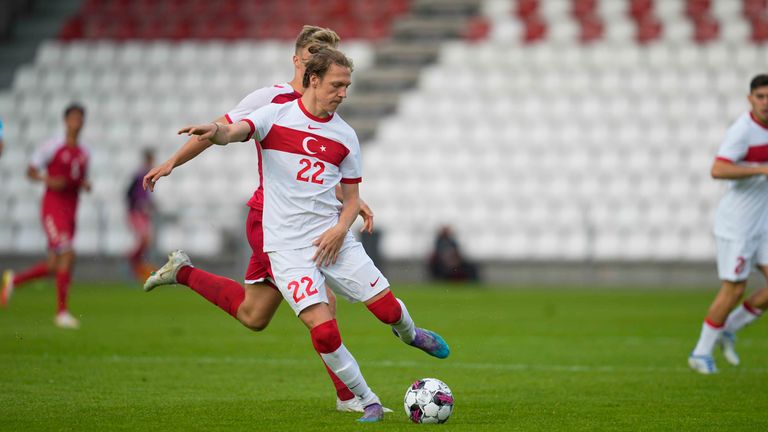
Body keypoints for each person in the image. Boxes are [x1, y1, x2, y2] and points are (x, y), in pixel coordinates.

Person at [170, 47, 450, 422]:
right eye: (337, 85)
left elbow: (351, 200)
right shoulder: (275, 115)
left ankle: (411, 333)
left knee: (385, 311)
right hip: (287, 249)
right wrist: (216, 132)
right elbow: (235, 130)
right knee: (323, 332)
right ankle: (366, 400)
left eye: (347, 85)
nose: (343, 93)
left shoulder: (345, 136)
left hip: (332, 240)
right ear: (313, 80)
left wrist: (339, 229)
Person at [142, 26, 380, 413]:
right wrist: (173, 161)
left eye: (327, 53)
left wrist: (352, 198)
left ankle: (182, 272)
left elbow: (311, 169)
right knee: (325, 304)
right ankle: (350, 397)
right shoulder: (271, 99)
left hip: (300, 221)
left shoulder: (325, 107)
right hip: (271, 221)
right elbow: (216, 129)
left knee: (254, 316)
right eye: (312, 53)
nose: (318, 59)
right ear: (298, 60)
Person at [688, 74, 768, 374]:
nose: (765, 103)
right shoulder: (743, 131)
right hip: (738, 224)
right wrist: (761, 169)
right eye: (760, 97)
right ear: (750, 99)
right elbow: (718, 169)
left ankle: (729, 328)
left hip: (762, 220)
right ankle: (700, 352)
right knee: (734, 289)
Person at [1, 103, 90, 329]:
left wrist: (84, 184)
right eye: (73, 118)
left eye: (80, 119)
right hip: (53, 207)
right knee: (68, 255)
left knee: (54, 265)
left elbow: (76, 179)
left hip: (71, 210)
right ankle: (61, 313)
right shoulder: (52, 146)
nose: (77, 122)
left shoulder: (84, 153)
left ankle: (14, 281)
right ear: (66, 120)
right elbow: (31, 171)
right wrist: (48, 180)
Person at [126, 148, 156, 280]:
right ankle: (132, 262)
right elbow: (130, 193)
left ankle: (137, 265)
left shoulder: (146, 175)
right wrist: (138, 205)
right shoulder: (140, 175)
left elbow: (144, 195)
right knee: (145, 238)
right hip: (136, 212)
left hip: (142, 212)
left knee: (147, 239)